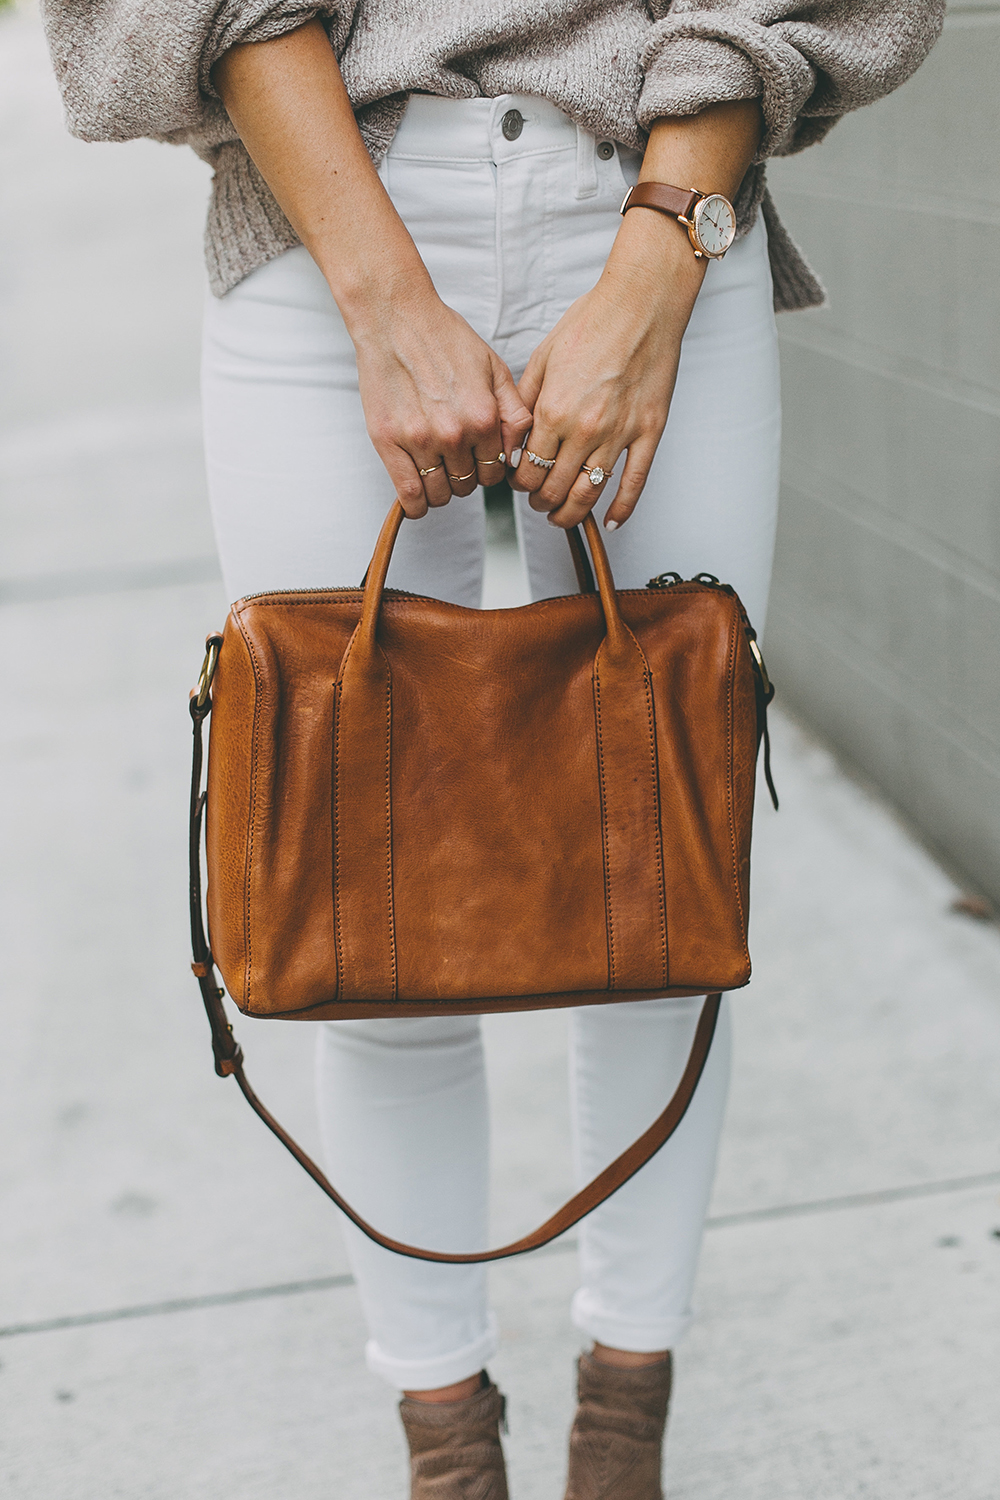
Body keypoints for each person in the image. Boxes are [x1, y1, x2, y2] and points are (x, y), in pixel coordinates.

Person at [43, 3, 944, 1495]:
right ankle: (448, 1447)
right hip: (328, 210)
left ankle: (622, 1431)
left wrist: (663, 249)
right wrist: (383, 294)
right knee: (366, 904)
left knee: (669, 893)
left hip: (665, 211)